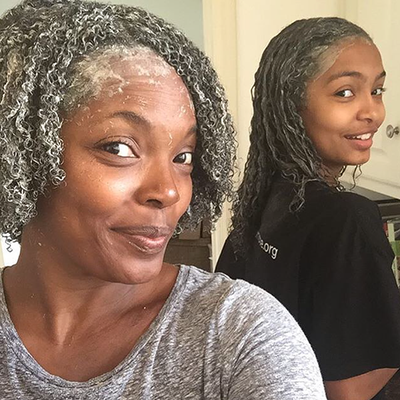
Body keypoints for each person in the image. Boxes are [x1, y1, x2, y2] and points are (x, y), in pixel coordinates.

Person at [0, 1, 327, 398]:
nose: (169, 191)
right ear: (24, 153)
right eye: (119, 148)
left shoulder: (241, 336)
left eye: (183, 157)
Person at [216, 17, 400, 400]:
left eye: (377, 90)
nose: (373, 112)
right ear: (292, 106)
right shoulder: (347, 218)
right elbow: (349, 389)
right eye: (345, 93)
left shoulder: (265, 196)